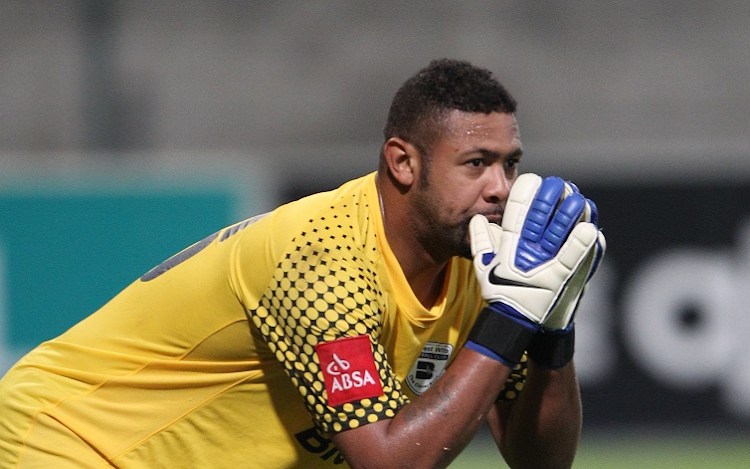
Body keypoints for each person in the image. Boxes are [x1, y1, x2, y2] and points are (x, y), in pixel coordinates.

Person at [0, 59, 604, 469]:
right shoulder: (323, 256)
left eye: (510, 163)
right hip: (70, 443)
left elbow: (536, 460)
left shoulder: (480, 264)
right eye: (476, 163)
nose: (501, 188)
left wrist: (552, 331)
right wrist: (510, 318)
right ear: (402, 163)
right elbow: (389, 461)